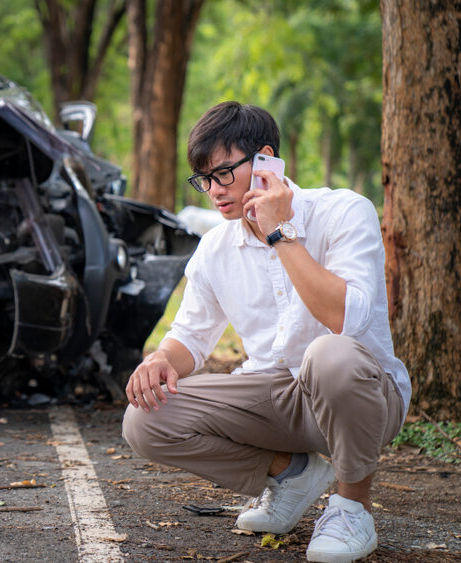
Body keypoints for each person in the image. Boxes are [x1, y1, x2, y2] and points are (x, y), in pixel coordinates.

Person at [121, 102, 410, 563]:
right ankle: (291, 475)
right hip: (275, 399)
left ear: (265, 161)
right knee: (146, 419)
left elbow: (347, 321)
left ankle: (353, 506)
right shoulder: (216, 246)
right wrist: (159, 360)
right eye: (204, 179)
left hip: (362, 394)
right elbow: (191, 336)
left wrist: (279, 232)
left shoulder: (343, 212)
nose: (213, 191)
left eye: (222, 174)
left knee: (329, 354)